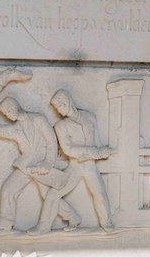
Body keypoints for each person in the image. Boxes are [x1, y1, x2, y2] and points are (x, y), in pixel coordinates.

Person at [0, 69, 81, 236]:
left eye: (8, 111)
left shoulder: (38, 119)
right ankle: (5, 223)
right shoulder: (15, 129)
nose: (8, 116)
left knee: (47, 195)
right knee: (8, 190)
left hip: (42, 165)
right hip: (27, 166)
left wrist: (48, 162)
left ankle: (73, 217)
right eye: (5, 114)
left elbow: (51, 141)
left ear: (14, 106)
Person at [47, 89, 116, 232]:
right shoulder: (60, 126)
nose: (58, 111)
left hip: (90, 166)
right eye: (56, 108)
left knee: (99, 193)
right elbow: (68, 150)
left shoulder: (90, 117)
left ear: (66, 102)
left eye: (59, 106)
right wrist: (95, 153)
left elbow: (97, 142)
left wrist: (103, 151)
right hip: (74, 167)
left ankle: (106, 221)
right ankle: (72, 218)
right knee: (54, 194)